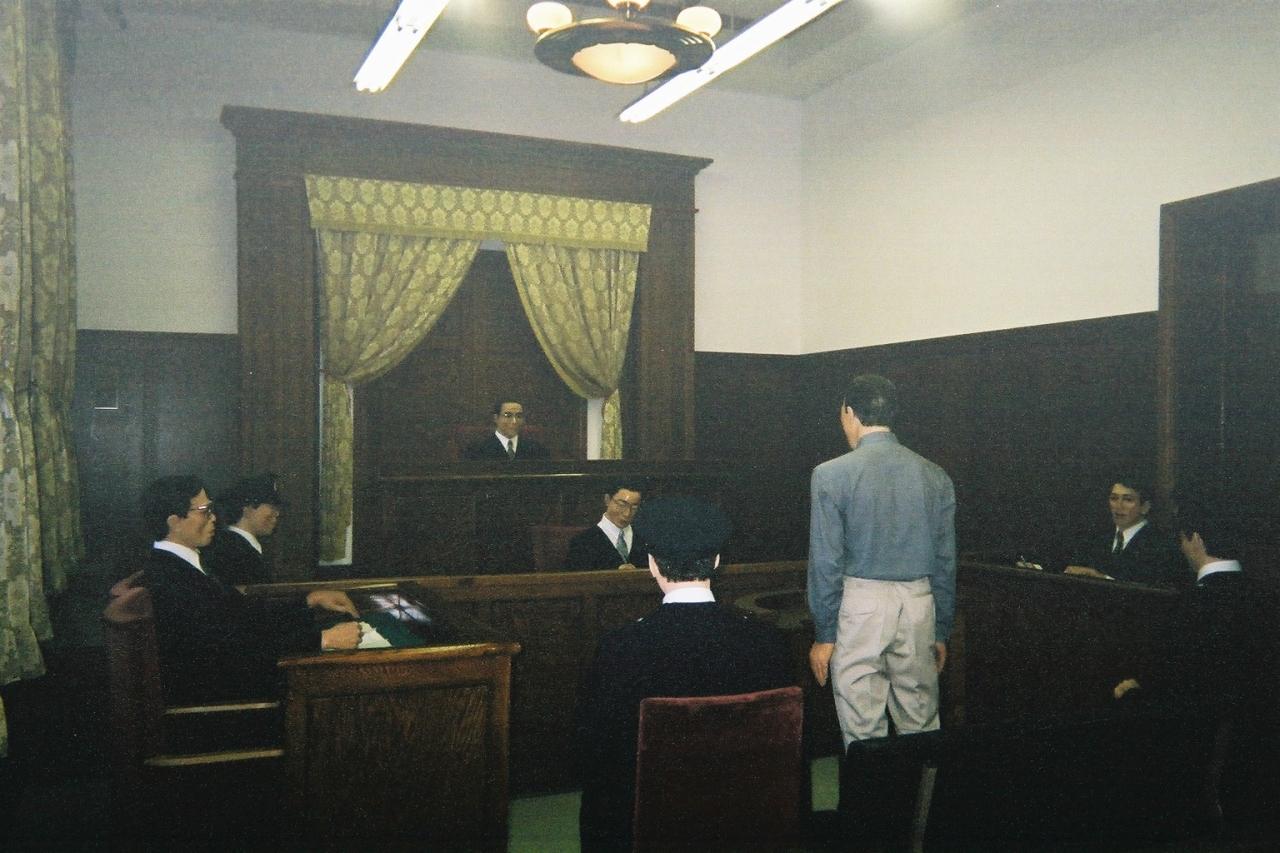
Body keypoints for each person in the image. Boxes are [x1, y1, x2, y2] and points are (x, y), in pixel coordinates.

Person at [575, 496, 793, 852]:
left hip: (651, 829)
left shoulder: (621, 648)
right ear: (717, 561)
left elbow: (594, 757)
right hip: (746, 826)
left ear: (651, 564)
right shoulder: (768, 643)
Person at [807, 374, 956, 747]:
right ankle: (921, 789)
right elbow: (945, 561)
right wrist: (941, 629)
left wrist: (824, 634)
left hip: (862, 604)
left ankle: (871, 789)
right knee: (921, 723)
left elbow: (826, 562)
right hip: (919, 604)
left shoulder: (830, 475)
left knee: (862, 728)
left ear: (850, 413)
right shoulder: (935, 475)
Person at [140, 474, 361, 703]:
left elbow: (248, 619)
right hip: (228, 705)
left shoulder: (188, 565)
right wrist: (322, 640)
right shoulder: (170, 578)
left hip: (236, 690)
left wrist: (309, 601)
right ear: (174, 522)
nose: (214, 518)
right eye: (205, 511)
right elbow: (234, 650)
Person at [1064, 475, 1183, 587]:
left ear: (1145, 507)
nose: (1118, 506)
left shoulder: (1161, 545)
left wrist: (1102, 579)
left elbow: (1154, 589)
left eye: (1128, 500)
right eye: (1114, 498)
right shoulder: (1094, 537)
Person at [203, 473, 285, 585]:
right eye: (272, 507)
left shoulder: (233, 545)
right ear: (247, 508)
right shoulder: (232, 551)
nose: (277, 513)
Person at [564, 481, 650, 571]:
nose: (627, 513)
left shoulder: (644, 539)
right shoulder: (582, 541)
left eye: (634, 508)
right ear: (607, 500)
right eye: (622, 505)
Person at [462, 399, 551, 460]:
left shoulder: (537, 450)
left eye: (519, 416)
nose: (514, 421)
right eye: (508, 416)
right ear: (496, 418)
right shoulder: (476, 450)